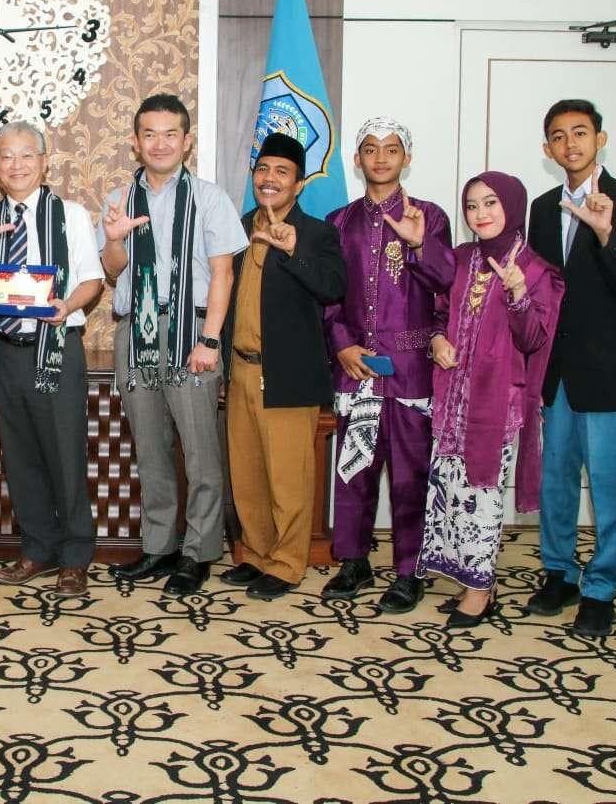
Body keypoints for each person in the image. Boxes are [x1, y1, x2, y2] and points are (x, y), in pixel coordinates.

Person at [99, 94, 247, 597]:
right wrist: (116, 237)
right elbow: (112, 271)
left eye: (170, 134)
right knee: (152, 447)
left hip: (192, 332)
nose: (159, 143)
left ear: (186, 140)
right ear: (135, 142)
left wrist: (211, 340)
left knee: (201, 450)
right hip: (135, 330)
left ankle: (199, 551)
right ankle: (160, 547)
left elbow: (224, 274)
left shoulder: (210, 198)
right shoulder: (120, 198)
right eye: (149, 134)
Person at [0, 121, 104, 597]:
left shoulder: (71, 215)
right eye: (6, 157)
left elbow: (92, 280)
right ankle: (37, 548)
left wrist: (68, 306)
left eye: (25, 155)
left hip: (55, 348)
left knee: (65, 454)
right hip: (5, 354)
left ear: (43, 162)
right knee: (21, 458)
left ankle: (76, 556)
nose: (16, 165)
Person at [524, 100, 616, 638]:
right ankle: (560, 572)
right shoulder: (541, 206)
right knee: (555, 480)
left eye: (580, 133)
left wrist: (604, 233)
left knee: (607, 483)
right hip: (554, 371)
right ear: (548, 149)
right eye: (559, 136)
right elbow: (536, 290)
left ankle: (601, 587)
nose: (570, 143)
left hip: (607, 371)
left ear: (601, 139)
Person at [319, 118, 453, 612]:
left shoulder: (430, 216)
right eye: (370, 149)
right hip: (356, 366)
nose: (380, 158)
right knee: (352, 468)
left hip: (410, 367)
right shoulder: (338, 221)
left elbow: (446, 284)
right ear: (357, 159)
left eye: (391, 149)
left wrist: (418, 243)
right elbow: (329, 297)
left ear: (406, 158)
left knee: (409, 472)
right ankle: (353, 561)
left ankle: (408, 569)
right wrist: (342, 346)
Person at [418, 171, 563, 629]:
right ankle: (472, 580)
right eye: (472, 205)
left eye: (491, 203)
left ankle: (480, 590)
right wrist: (437, 339)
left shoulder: (538, 270)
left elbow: (537, 338)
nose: (480, 214)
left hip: (497, 400)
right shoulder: (462, 259)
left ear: (513, 207)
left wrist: (518, 291)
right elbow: (438, 309)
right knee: (452, 489)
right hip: (452, 398)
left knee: (482, 494)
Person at [220, 132, 346, 600]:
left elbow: (334, 287)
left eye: (282, 172)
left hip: (289, 373)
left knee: (289, 479)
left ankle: (288, 563)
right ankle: (254, 554)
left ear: (297, 183)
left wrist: (294, 250)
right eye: (263, 170)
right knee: (247, 475)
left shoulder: (317, 232)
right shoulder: (238, 225)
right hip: (241, 370)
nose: (269, 179)